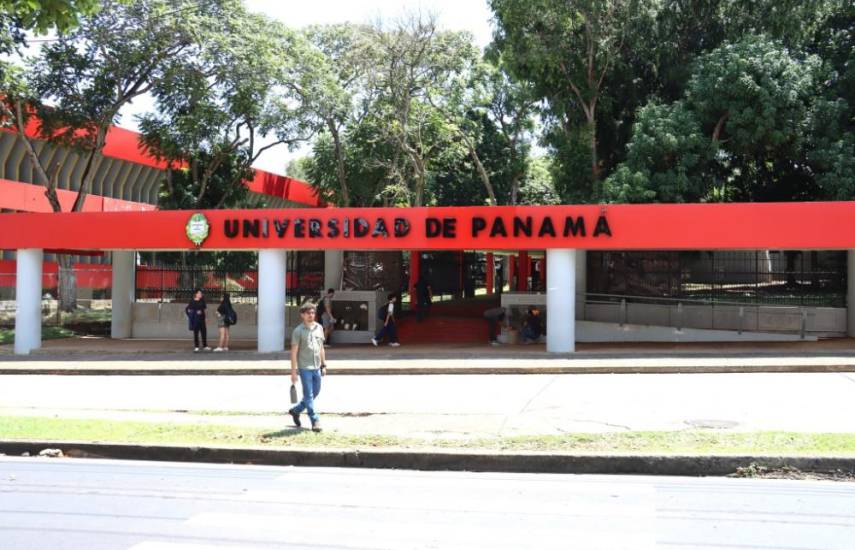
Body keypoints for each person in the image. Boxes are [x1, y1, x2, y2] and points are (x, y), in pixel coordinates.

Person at [288, 303, 327, 432]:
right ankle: (315, 420)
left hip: (317, 366)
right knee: (308, 395)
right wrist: (293, 372)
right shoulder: (298, 331)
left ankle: (296, 410)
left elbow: (321, 348)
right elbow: (293, 352)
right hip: (304, 368)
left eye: (312, 313)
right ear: (302, 315)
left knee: (315, 392)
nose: (311, 315)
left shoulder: (319, 328)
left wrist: (324, 365)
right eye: (308, 313)